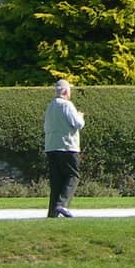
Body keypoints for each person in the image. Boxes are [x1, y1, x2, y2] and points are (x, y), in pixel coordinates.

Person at [44, 79, 85, 218]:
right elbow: (78, 124)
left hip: (51, 146)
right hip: (67, 146)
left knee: (56, 180)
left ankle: (53, 212)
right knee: (73, 175)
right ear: (66, 91)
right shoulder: (67, 105)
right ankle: (62, 204)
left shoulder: (50, 106)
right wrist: (80, 116)